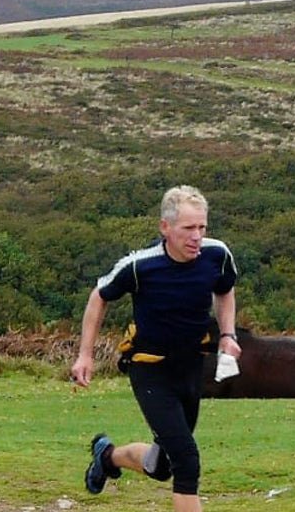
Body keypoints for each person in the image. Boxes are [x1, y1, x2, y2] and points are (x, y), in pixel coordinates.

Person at [71, 185, 241, 512]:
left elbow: (225, 290)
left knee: (163, 465)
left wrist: (228, 334)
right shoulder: (139, 265)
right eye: (188, 228)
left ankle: (108, 457)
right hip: (150, 368)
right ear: (165, 227)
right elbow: (99, 296)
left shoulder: (217, 255)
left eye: (202, 227)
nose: (197, 237)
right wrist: (85, 355)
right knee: (187, 460)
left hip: (191, 365)